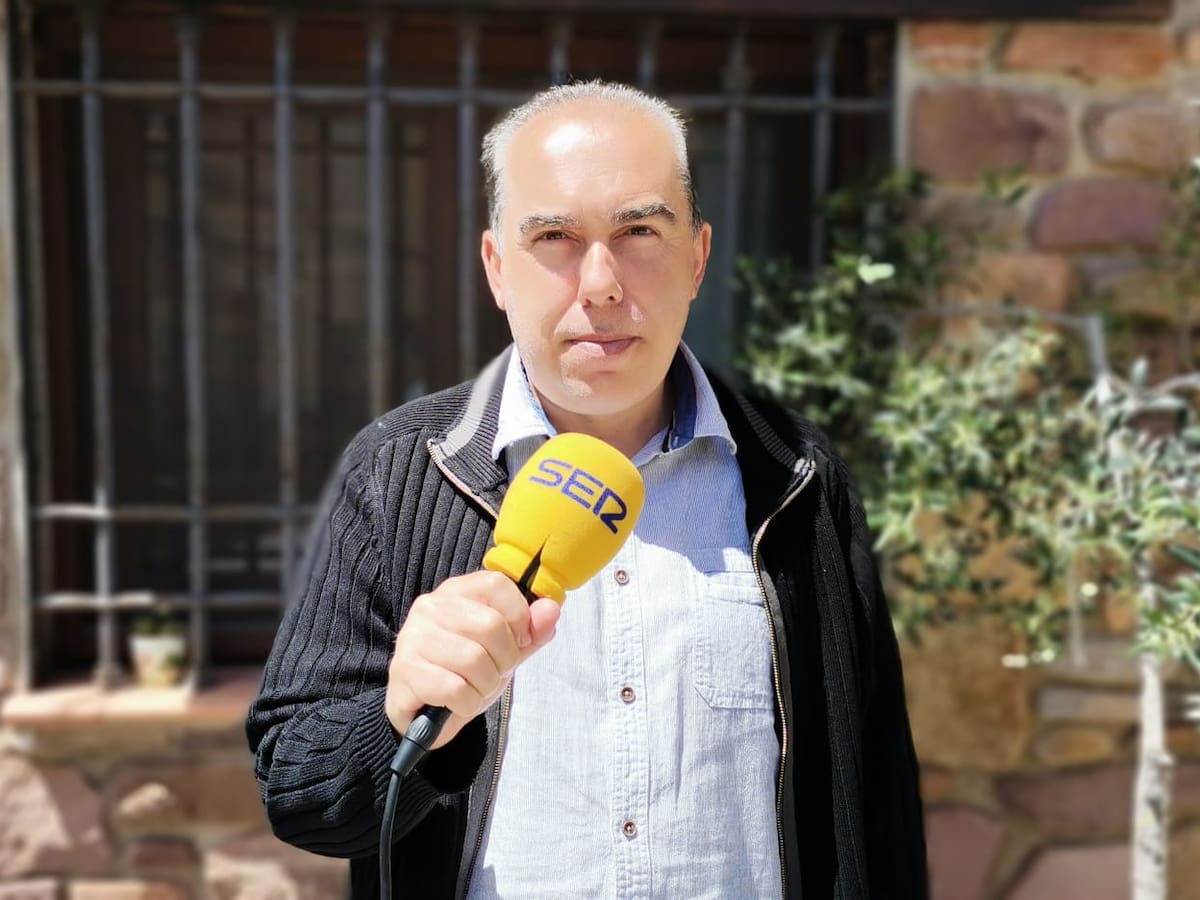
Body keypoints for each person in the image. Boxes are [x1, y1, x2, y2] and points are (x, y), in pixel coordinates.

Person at [246, 80, 928, 899]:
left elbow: (875, 795)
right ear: (497, 268)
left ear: (698, 258)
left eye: (639, 231)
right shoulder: (397, 471)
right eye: (555, 237)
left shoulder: (798, 475)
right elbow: (299, 794)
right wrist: (400, 719)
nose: (601, 282)